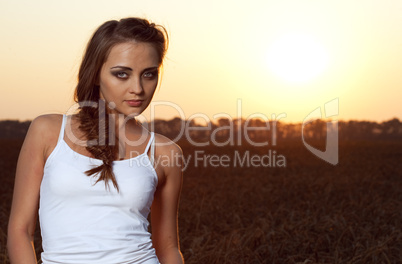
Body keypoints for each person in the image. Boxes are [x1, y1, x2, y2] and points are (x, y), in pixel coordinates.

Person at [7, 17, 184, 264]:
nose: (138, 88)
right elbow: (20, 231)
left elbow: (168, 249)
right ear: (95, 75)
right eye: (122, 74)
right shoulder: (47, 131)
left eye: (149, 74)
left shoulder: (166, 152)